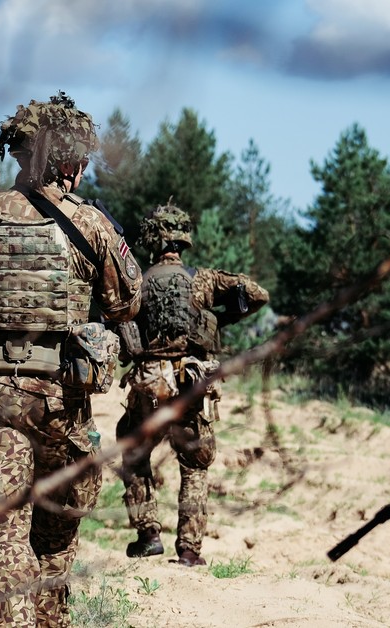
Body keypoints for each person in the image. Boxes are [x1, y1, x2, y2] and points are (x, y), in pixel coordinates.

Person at [0, 92, 142, 627]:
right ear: (70, 162)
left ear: (19, 156)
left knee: (5, 541)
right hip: (64, 407)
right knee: (56, 542)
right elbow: (128, 301)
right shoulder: (91, 224)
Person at [115, 203, 269, 567]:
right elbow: (257, 294)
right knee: (195, 465)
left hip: (150, 384)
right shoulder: (203, 280)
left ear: (153, 242)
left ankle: (148, 534)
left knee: (133, 454)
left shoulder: (139, 280)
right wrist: (222, 319)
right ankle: (188, 550)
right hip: (191, 383)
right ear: (183, 242)